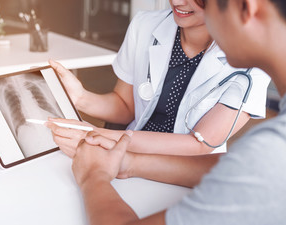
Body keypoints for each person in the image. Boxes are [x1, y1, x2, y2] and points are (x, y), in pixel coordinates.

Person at [70, 0, 286, 225]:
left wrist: (93, 176)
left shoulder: (271, 152)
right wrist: (128, 162)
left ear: (246, 7)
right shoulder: (262, 155)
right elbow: (236, 165)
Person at [47, 0, 270, 158]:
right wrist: (81, 98)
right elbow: (125, 107)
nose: (178, 2)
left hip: (184, 173)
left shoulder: (252, 59)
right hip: (123, 155)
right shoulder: (145, 25)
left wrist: (96, 136)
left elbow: (198, 144)